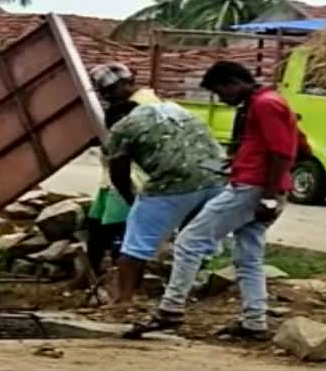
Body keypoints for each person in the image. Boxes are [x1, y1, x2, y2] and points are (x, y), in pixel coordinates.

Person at [126, 61, 298, 340]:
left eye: (221, 92)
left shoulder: (265, 105)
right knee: (249, 257)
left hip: (251, 189)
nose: (222, 99)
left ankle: (170, 310)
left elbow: (282, 153)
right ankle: (255, 321)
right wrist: (243, 163)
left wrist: (268, 195)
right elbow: (294, 147)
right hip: (257, 185)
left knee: (190, 241)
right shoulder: (267, 102)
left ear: (233, 82)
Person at [104, 100, 226, 307]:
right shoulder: (177, 111)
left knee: (135, 244)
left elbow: (119, 175)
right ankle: (179, 299)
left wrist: (133, 203)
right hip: (218, 178)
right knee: (191, 243)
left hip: (174, 182)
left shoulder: (122, 127)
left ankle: (123, 301)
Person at [87, 63, 161, 278]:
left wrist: (129, 194)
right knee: (96, 228)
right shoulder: (128, 103)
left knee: (117, 230)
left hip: (131, 177)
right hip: (112, 179)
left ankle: (123, 283)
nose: (107, 96)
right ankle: (92, 275)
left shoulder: (141, 105)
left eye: (111, 90)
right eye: (104, 92)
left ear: (127, 83)